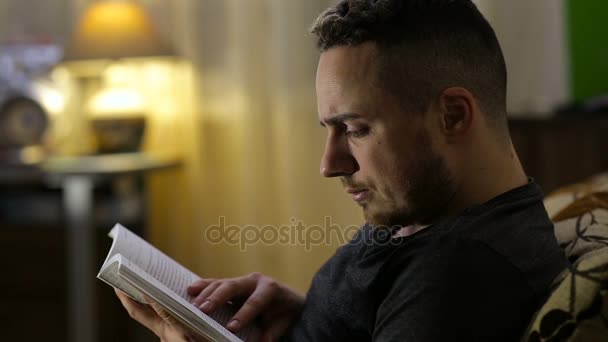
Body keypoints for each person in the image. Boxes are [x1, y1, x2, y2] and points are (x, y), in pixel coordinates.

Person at [116, 0, 568, 340]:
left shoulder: (459, 276)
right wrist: (309, 312)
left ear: (452, 116)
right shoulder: (426, 210)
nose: (329, 164)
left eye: (355, 128)